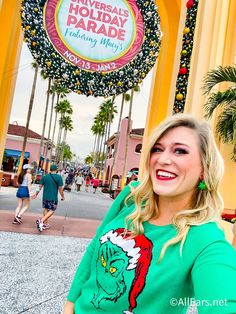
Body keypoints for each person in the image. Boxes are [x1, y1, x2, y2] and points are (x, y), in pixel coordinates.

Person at [63, 114, 236, 314]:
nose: (163, 159)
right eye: (158, 149)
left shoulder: (206, 239)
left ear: (204, 170)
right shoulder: (131, 196)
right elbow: (95, 247)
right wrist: (70, 302)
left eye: (180, 151)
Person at [32, 164, 65, 232]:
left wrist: (36, 194)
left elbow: (39, 187)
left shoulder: (45, 177)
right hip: (53, 197)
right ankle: (41, 221)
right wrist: (62, 196)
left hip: (45, 197)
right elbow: (60, 189)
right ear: (56, 170)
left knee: (46, 209)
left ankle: (45, 224)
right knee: (52, 210)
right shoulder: (58, 177)